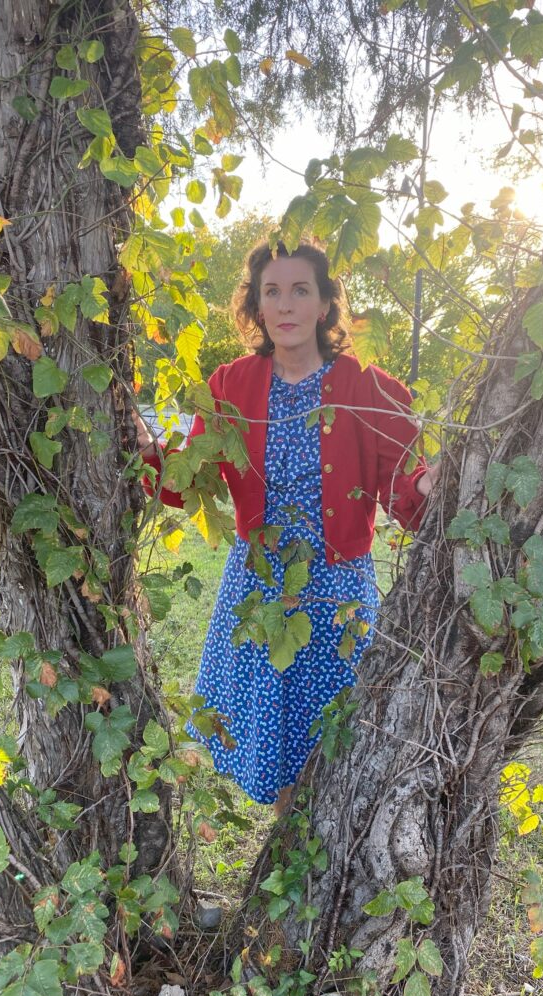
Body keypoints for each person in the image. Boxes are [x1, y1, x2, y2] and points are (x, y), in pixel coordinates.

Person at [138, 240, 437, 816]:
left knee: (334, 733)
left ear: (326, 303)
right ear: (255, 306)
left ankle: (322, 846)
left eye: (301, 290)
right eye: (271, 291)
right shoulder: (230, 386)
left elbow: (403, 491)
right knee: (274, 734)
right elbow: (188, 478)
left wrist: (428, 484)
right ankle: (288, 849)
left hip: (336, 589)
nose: (286, 304)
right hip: (259, 584)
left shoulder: (370, 389)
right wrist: (146, 452)